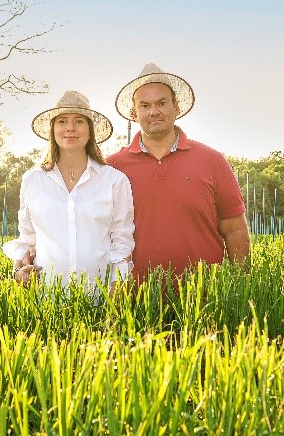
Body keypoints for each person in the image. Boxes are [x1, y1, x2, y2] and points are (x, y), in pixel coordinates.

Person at [106, 63, 249, 280]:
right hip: (133, 301)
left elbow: (234, 229)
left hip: (205, 298)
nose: (154, 112)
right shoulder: (113, 167)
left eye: (162, 103)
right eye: (144, 106)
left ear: (176, 107)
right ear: (134, 113)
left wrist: (242, 282)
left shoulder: (212, 161)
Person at [4, 90, 134, 290]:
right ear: (53, 129)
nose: (70, 128)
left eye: (79, 121)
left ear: (90, 130)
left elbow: (122, 244)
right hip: (46, 298)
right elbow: (27, 239)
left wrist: (115, 298)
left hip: (98, 295)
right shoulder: (33, 180)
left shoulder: (114, 181)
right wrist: (18, 272)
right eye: (62, 121)